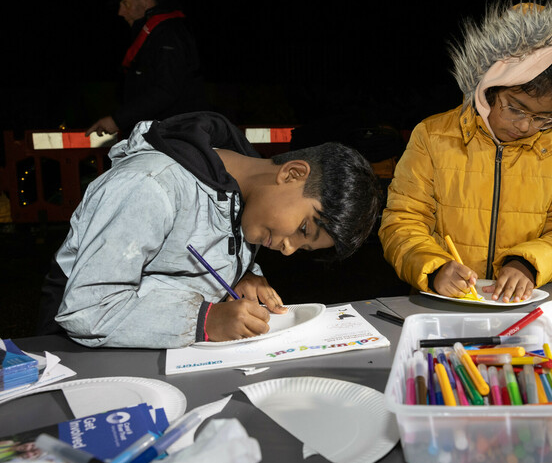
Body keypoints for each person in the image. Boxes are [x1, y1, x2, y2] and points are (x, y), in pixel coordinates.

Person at [39, 111, 381, 349]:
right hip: (75, 360)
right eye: (302, 229)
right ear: (291, 174)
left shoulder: (245, 199)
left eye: (303, 249)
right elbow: (86, 309)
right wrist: (204, 321)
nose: (288, 249)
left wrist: (242, 274)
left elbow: (198, 245)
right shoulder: (151, 185)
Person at [378, 0, 552, 303]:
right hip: (444, 304)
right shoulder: (433, 136)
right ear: (489, 85)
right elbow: (401, 221)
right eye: (515, 108)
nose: (525, 126)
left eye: (543, 116)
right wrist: (434, 268)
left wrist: (528, 263)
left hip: (521, 306)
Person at [86, 0, 207, 138]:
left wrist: (117, 120)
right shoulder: (154, 33)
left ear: (145, 0)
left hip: (171, 137)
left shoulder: (168, 33)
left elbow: (167, 89)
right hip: (160, 135)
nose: (120, 12)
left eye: (125, 3)